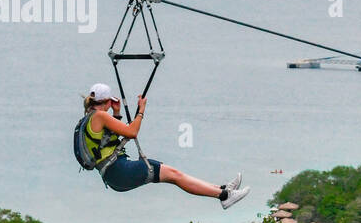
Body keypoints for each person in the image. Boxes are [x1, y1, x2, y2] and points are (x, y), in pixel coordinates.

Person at [80, 83, 249, 208]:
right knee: (174, 174)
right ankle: (224, 196)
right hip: (118, 171)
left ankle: (221, 189)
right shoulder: (100, 116)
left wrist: (116, 113)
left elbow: (109, 137)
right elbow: (131, 132)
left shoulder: (90, 117)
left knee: (173, 173)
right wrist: (141, 110)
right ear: (108, 101)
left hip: (114, 174)